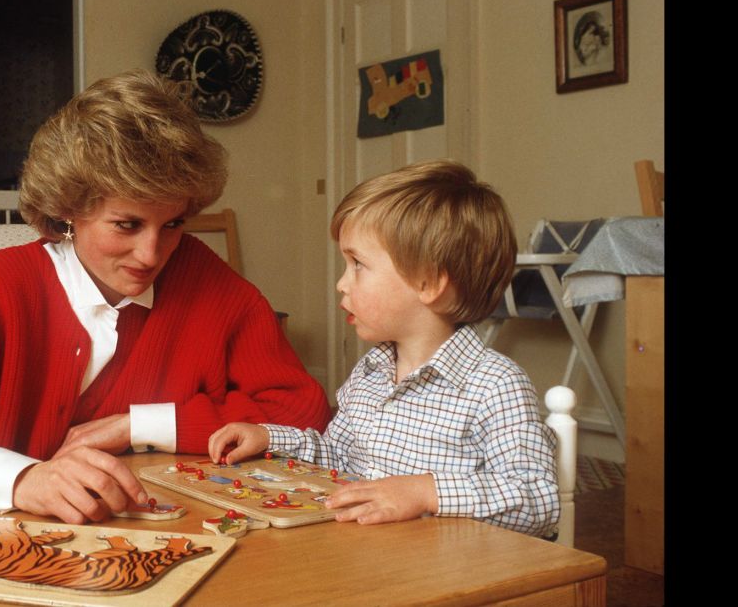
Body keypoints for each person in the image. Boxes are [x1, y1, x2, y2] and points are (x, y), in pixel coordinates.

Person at [0, 70, 331, 524]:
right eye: (127, 225)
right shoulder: (0, 289)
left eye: (173, 223)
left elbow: (303, 411)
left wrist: (137, 425)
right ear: (69, 209)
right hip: (0, 544)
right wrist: (24, 479)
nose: (152, 252)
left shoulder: (204, 278)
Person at [208, 160, 559, 536]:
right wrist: (270, 437)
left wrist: (426, 492)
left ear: (428, 283)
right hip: (368, 558)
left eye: (358, 264)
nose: (342, 284)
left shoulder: (495, 385)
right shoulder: (369, 373)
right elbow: (338, 457)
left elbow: (538, 500)